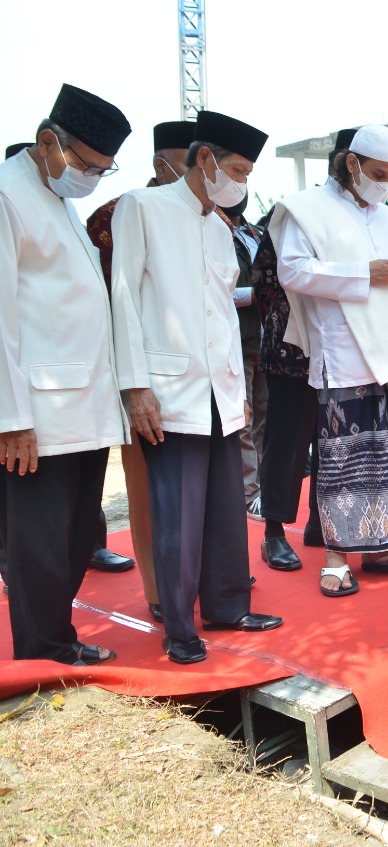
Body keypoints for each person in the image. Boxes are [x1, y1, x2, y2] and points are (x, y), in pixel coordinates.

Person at [112, 109, 284, 664]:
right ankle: (180, 627)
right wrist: (135, 387)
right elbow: (123, 299)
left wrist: (237, 389)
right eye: (237, 170)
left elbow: (223, 312)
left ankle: (228, 605)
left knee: (226, 505)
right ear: (205, 158)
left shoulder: (219, 227)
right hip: (167, 389)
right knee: (178, 514)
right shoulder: (143, 207)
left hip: (221, 388)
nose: (242, 183)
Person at [270, 124, 388, 599]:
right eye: (378, 174)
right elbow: (292, 271)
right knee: (345, 460)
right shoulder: (306, 209)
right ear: (352, 163)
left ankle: (383, 546)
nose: (384, 185)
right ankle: (337, 558)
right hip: (342, 351)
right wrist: (364, 273)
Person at [0, 84, 131, 665]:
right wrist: (10, 418)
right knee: (39, 543)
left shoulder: (55, 196)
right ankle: (43, 651)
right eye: (87, 166)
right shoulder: (7, 195)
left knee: (77, 536)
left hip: (82, 402)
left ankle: (58, 636)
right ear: (48, 141)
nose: (91, 179)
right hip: (37, 412)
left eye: (103, 171)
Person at [85, 119, 197, 620]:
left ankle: (201, 573)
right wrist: (133, 383)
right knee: (150, 485)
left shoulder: (209, 215)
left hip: (201, 377)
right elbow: (115, 302)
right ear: (162, 165)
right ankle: (158, 589)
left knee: (201, 485)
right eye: (192, 163)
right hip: (145, 374)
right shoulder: (115, 215)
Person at [252, 131, 359, 572]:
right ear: (342, 162)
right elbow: (265, 277)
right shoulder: (297, 211)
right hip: (293, 351)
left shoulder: (364, 216)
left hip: (342, 350)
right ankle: (274, 532)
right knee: (287, 444)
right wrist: (290, 325)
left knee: (333, 442)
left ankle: (321, 522)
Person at [222, 196, 267, 517]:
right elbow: (216, 290)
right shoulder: (214, 232)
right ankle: (249, 490)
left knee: (266, 417)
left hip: (266, 341)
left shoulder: (256, 233)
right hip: (236, 341)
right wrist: (256, 293)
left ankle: (264, 484)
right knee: (243, 419)